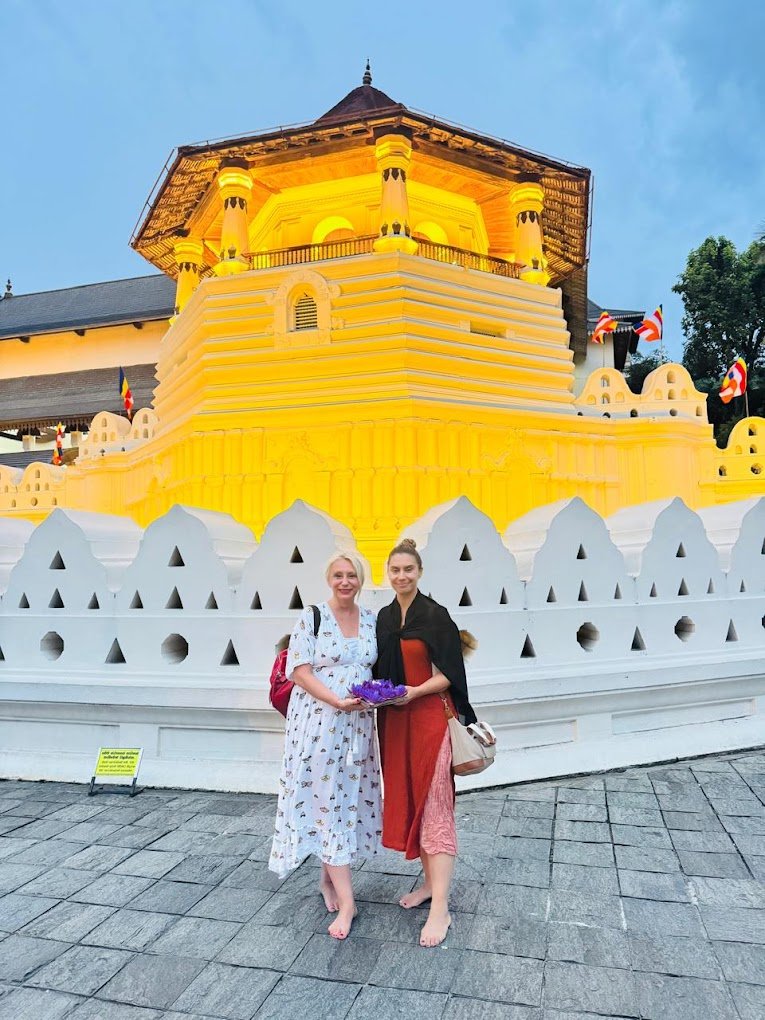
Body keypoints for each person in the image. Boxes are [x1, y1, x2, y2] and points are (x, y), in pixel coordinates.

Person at [268, 552, 381, 939]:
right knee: (325, 800)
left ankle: (327, 879)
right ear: (328, 578)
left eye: (352, 575)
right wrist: (335, 700)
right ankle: (348, 903)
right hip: (319, 724)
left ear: (361, 580)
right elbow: (298, 671)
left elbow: (373, 668)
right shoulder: (312, 616)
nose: (345, 581)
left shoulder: (370, 619)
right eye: (338, 575)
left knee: (343, 800)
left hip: (358, 726)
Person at [375, 538, 477, 948]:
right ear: (389, 573)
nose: (402, 576)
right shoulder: (382, 617)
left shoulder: (435, 617)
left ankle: (442, 909)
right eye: (395, 570)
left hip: (430, 718)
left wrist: (413, 692)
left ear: (419, 572)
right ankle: (430, 884)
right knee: (413, 801)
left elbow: (450, 674)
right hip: (395, 722)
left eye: (408, 570)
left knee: (435, 806)